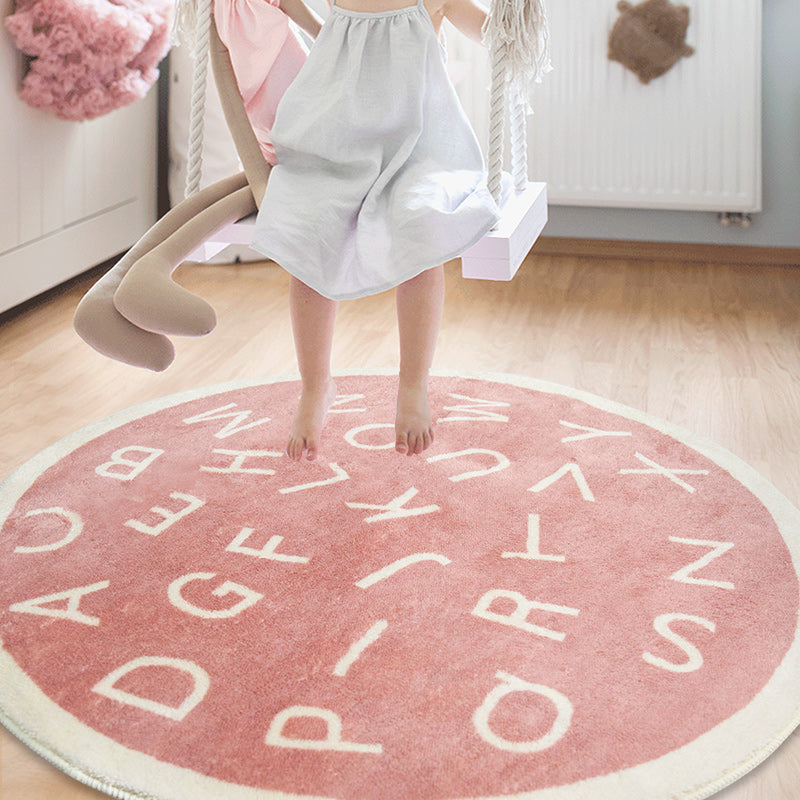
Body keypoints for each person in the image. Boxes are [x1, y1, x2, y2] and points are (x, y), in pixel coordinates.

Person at [251, 0, 500, 461]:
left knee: (420, 227)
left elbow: (493, 34)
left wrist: (520, 18)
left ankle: (413, 385)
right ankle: (315, 385)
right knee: (309, 232)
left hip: (417, 153)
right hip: (334, 148)